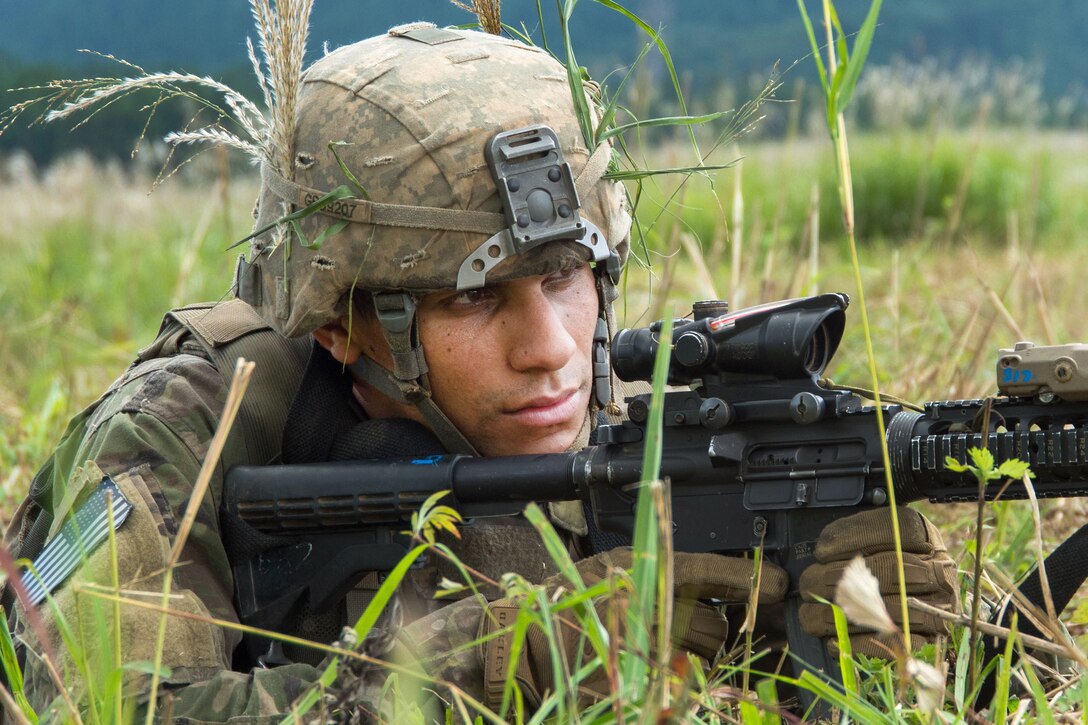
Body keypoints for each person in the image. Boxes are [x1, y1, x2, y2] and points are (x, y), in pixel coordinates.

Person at [3, 23, 958, 722]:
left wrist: (879, 654)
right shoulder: (187, 429)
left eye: (564, 274)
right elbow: (100, 709)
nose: (547, 345)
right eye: (471, 296)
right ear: (342, 321)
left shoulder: (653, 429)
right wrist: (490, 666)